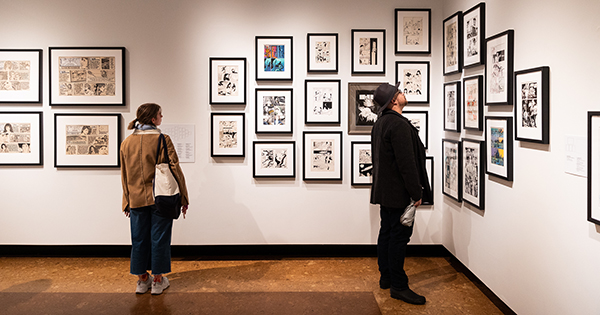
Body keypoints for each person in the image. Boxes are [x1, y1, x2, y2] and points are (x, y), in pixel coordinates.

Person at [370, 83, 432, 305]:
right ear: (394, 100)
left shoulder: (380, 124)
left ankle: (386, 277)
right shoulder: (398, 125)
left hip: (385, 192)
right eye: (399, 92)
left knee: (386, 233)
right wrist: (416, 192)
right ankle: (398, 285)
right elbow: (407, 164)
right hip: (399, 193)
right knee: (398, 238)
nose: (403, 93)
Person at [120, 103, 189, 295]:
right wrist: (183, 197)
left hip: (135, 199)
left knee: (139, 239)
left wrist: (126, 200)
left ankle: (142, 281)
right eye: (160, 114)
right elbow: (174, 169)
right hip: (161, 198)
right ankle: (158, 281)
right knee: (159, 238)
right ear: (153, 119)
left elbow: (124, 175)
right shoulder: (162, 139)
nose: (162, 117)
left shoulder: (126, 143)